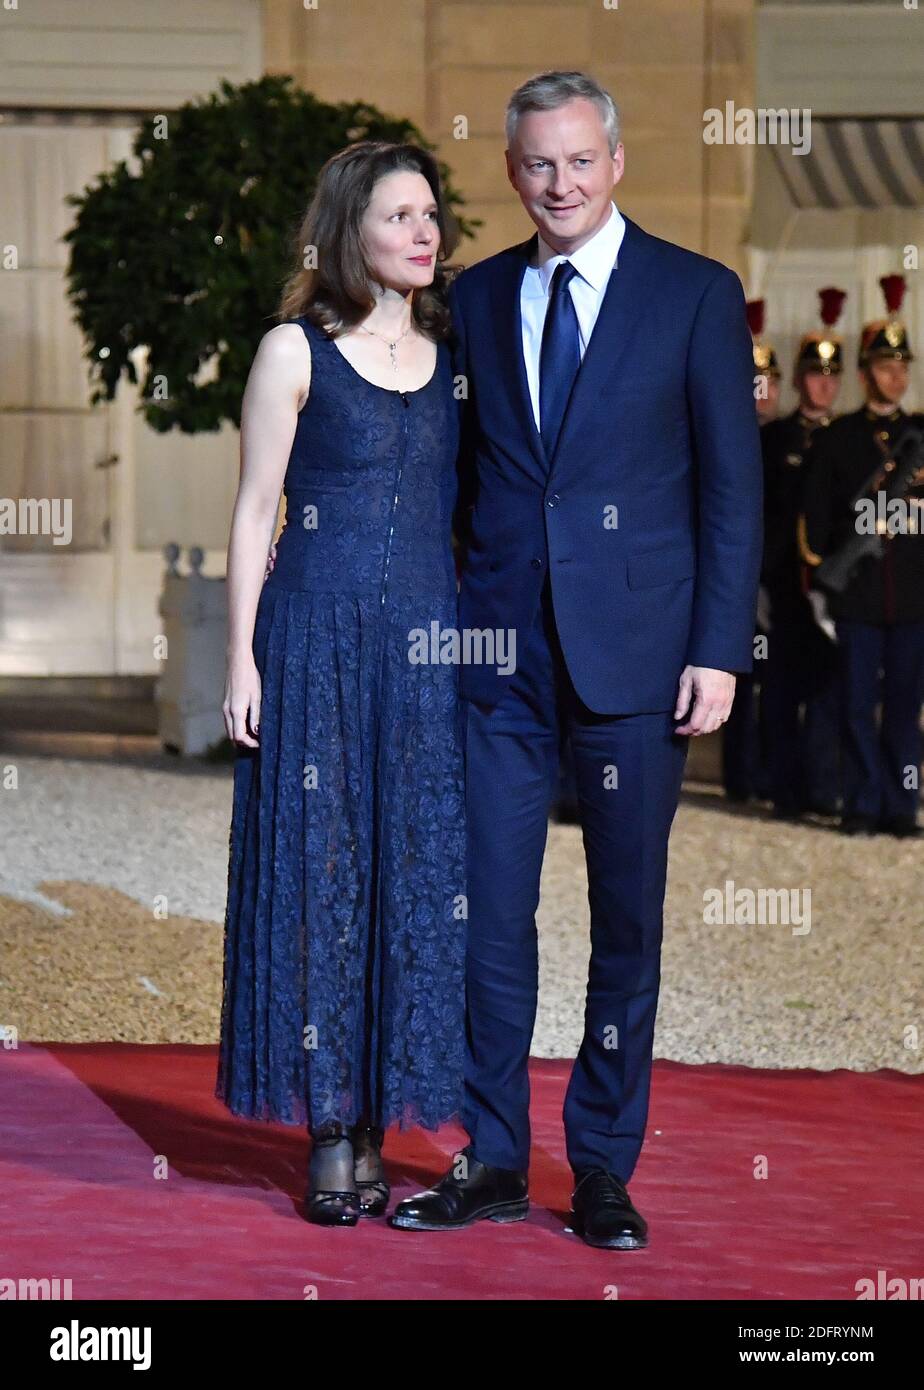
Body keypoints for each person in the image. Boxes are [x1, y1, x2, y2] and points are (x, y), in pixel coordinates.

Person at [390, 70, 763, 1249]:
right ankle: (493, 1155)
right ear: (513, 171)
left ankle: (601, 1164)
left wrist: (718, 648)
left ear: (617, 162)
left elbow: (731, 490)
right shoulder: (482, 296)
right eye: (537, 164)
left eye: (580, 160)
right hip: (498, 664)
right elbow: (452, 479)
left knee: (626, 920)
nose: (560, 183)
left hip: (640, 660)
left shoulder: (696, 295)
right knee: (487, 918)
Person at [216, 142, 467, 1226]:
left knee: (409, 873)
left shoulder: (458, 355)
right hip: (312, 643)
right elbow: (251, 508)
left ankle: (378, 1124)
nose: (426, 233)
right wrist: (238, 659)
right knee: (323, 873)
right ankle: (330, 1126)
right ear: (348, 232)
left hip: (426, 651)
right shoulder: (293, 349)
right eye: (401, 216)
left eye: (431, 215)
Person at [800, 275, 924, 838]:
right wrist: (820, 585)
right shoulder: (840, 439)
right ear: (865, 372)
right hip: (857, 595)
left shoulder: (920, 437)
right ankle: (861, 802)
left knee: (903, 708)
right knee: (854, 706)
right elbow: (817, 520)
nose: (895, 376)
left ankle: (901, 806)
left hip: (913, 594)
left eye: (902, 367)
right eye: (884, 366)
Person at [759, 288, 846, 819]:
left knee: (832, 693)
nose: (824, 384)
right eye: (815, 374)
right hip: (787, 585)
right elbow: (763, 514)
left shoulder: (848, 437)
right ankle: (783, 789)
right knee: (782, 692)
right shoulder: (775, 440)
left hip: (837, 589)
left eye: (832, 376)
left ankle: (823, 786)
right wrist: (760, 582)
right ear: (799, 379)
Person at [720, 298, 781, 804]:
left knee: (779, 687)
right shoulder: (726, 432)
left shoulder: (788, 440)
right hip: (735, 575)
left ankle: (774, 775)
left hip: (780, 579)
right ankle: (739, 777)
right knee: (733, 684)